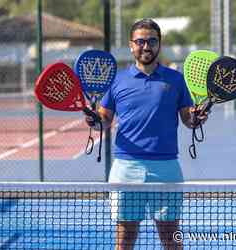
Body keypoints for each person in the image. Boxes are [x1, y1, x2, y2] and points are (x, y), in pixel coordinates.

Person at [86, 18, 208, 250]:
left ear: (159, 44)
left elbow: (187, 119)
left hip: (166, 167)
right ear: (131, 45)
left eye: (152, 40)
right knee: (125, 237)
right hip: (126, 168)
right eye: (140, 41)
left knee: (170, 235)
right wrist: (94, 121)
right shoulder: (116, 80)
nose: (146, 46)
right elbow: (103, 121)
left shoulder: (176, 79)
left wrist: (196, 118)